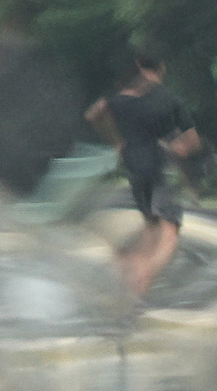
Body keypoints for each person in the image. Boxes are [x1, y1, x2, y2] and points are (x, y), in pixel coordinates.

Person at [85, 52, 201, 298]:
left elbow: (94, 114)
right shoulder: (168, 100)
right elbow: (191, 143)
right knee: (170, 229)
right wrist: (176, 148)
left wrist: (116, 141)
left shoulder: (119, 99)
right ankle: (146, 270)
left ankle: (130, 277)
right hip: (161, 166)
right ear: (161, 69)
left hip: (134, 166)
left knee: (150, 225)